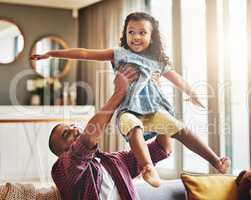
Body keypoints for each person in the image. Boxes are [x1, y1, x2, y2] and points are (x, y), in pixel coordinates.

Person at [31, 12, 230, 188]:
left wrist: (190, 92)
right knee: (133, 128)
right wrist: (52, 54)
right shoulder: (63, 170)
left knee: (180, 129)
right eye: (131, 32)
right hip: (128, 110)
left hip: (153, 110)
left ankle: (215, 160)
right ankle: (147, 168)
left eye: (142, 32)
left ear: (152, 37)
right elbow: (84, 53)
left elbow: (176, 80)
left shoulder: (115, 162)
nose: (136, 37)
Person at [47, 67, 174, 200]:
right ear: (60, 155)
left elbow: (162, 148)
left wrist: (158, 102)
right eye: (66, 134)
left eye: (73, 126)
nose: (75, 129)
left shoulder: (117, 161)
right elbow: (86, 141)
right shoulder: (61, 171)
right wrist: (119, 92)